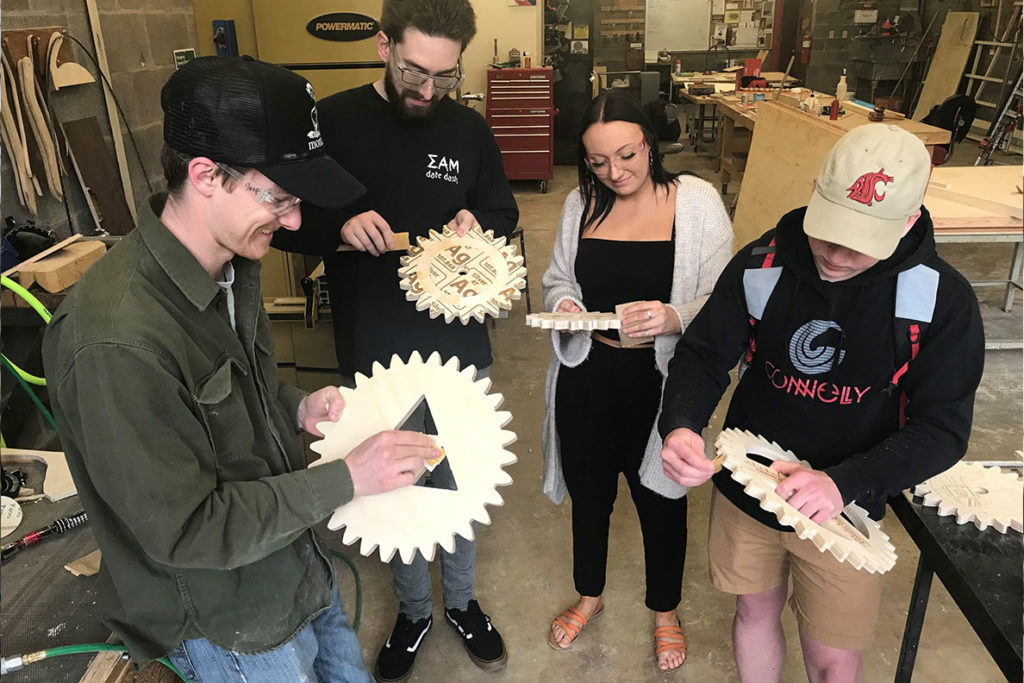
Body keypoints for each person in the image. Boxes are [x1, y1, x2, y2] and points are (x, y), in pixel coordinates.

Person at [42, 56, 442, 683]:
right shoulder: (116, 341)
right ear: (205, 175)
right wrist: (345, 479)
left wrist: (291, 405)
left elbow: (216, 400)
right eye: (279, 197)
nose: (295, 222)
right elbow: (187, 530)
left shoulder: (231, 266)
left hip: (296, 565)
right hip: (233, 624)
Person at [658, 124, 985, 682]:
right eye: (828, 231)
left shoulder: (939, 301)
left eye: (860, 242)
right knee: (754, 608)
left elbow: (943, 429)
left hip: (847, 504)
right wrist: (682, 423)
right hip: (751, 482)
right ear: (815, 192)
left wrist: (844, 482)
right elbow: (704, 355)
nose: (835, 254)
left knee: (833, 653)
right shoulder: (764, 263)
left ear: (908, 221)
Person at [271, 0, 517, 679]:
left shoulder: (468, 128)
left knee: (456, 477)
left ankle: (462, 601)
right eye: (415, 70)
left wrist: (478, 217)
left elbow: (503, 208)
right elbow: (289, 223)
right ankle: (413, 611)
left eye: (445, 75)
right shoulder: (336, 122)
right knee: (395, 480)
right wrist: (340, 228)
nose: (428, 90)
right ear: (383, 45)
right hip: (375, 336)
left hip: (458, 339)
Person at [539, 88, 732, 672]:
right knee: (590, 494)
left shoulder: (694, 201)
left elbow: (725, 300)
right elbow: (555, 281)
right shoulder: (581, 205)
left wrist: (674, 317)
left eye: (626, 156)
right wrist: (567, 303)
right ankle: (590, 595)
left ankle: (665, 610)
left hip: (660, 382)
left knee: (662, 499)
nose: (614, 173)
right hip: (588, 374)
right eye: (598, 162)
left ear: (650, 142)